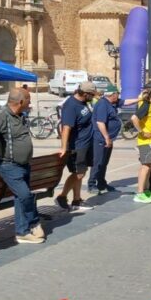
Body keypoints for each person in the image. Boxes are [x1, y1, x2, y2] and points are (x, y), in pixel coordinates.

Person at [0, 87, 44, 245]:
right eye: (29, 100)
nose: (30, 103)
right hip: (8, 165)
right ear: (21, 101)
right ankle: (34, 222)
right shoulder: (0, 116)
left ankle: (22, 231)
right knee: (25, 195)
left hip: (23, 164)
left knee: (20, 197)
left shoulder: (19, 115)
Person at [56, 81, 97, 211]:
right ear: (85, 94)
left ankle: (77, 200)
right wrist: (63, 147)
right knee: (78, 173)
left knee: (81, 173)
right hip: (76, 146)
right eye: (92, 94)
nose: (93, 97)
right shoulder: (71, 106)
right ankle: (62, 196)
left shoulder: (83, 102)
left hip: (85, 144)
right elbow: (66, 128)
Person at [90, 85, 137, 195]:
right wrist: (106, 138)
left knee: (104, 162)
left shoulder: (112, 102)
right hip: (101, 139)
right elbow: (100, 123)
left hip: (109, 138)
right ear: (112, 95)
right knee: (98, 162)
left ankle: (101, 182)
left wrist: (140, 98)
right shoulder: (102, 104)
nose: (119, 96)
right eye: (117, 94)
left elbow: (126, 102)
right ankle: (91, 184)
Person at [132, 85, 151, 203]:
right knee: (146, 166)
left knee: (148, 166)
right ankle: (140, 193)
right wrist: (142, 132)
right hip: (147, 141)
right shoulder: (146, 105)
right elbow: (134, 118)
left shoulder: (148, 104)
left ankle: (145, 189)